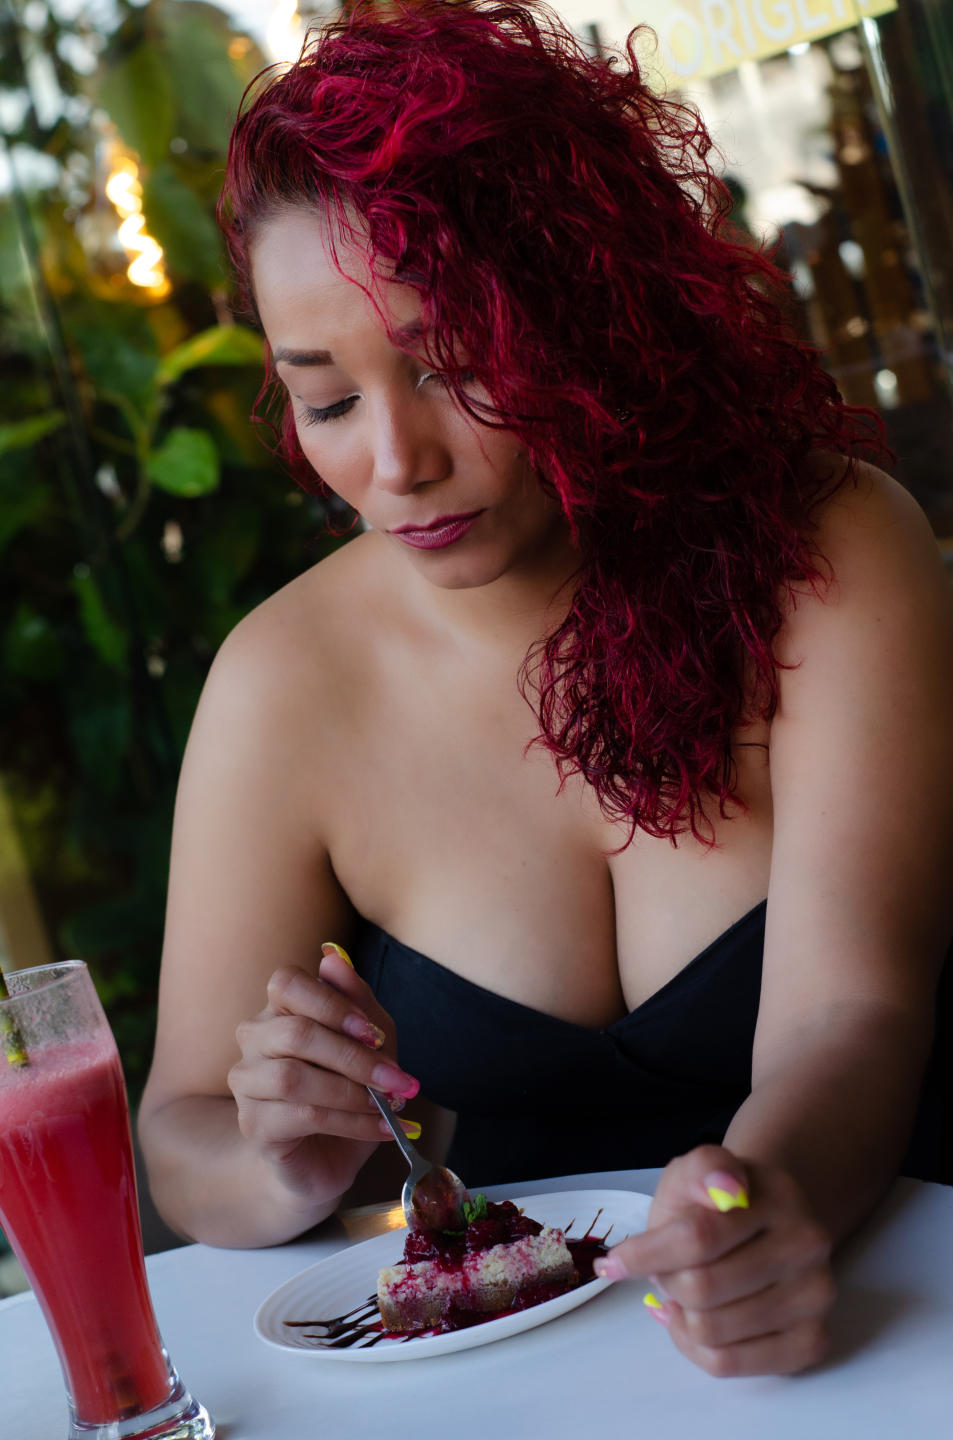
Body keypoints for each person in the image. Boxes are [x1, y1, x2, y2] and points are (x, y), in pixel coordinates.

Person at [138, 1, 953, 1378]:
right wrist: (284, 1160)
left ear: (592, 316)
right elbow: (182, 1135)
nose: (395, 463)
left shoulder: (829, 548)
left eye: (455, 368)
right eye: (327, 402)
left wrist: (758, 1211)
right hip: (526, 1382)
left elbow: (851, 1014)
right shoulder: (285, 684)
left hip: (896, 1311)